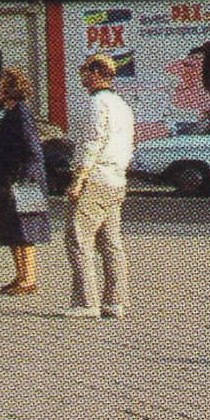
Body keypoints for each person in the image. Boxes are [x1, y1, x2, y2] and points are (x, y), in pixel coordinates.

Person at [63, 54, 134, 319]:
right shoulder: (122, 104)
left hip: (96, 177)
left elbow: (92, 143)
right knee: (111, 242)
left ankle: (86, 302)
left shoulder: (96, 104)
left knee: (78, 239)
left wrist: (79, 178)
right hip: (116, 178)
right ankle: (115, 302)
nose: (81, 77)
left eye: (84, 72)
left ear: (95, 74)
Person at [0, 69, 49, 296]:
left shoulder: (21, 114)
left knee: (25, 230)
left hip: (24, 182)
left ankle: (28, 278)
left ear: (9, 89)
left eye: (1, 85)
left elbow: (32, 151)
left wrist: (21, 181)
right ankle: (21, 275)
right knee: (14, 229)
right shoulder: (10, 112)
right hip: (12, 180)